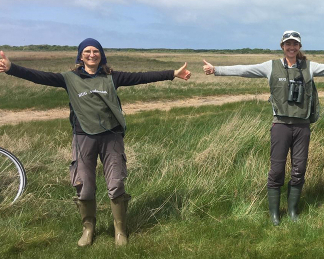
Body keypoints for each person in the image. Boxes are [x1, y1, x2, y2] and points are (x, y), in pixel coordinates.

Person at [0, 38, 191, 246]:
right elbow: (40, 76)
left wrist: (172, 73)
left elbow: (142, 77)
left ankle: (120, 231)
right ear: (80, 56)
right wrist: (11, 68)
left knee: (116, 183)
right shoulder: (69, 78)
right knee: (84, 185)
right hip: (83, 138)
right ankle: (88, 229)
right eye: (87, 51)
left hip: (112, 137)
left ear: (101, 55)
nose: (92, 54)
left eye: (96, 51)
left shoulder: (111, 77)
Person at [203, 30, 324, 225]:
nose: (291, 47)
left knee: (299, 169)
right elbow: (244, 70)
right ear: (282, 46)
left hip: (302, 126)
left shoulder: (309, 67)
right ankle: (275, 214)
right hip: (280, 126)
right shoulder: (270, 67)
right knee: (276, 169)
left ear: (299, 47)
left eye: (295, 44)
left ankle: (293, 212)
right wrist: (216, 69)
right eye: (288, 44)